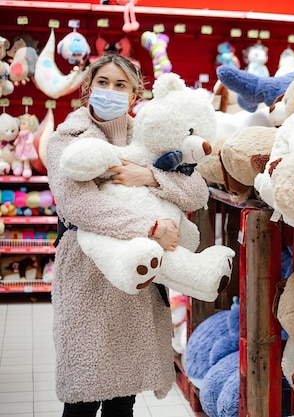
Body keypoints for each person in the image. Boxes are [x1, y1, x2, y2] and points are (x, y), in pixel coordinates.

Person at [46, 53, 210, 417]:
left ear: (135, 95)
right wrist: (149, 227)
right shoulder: (66, 140)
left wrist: (149, 176)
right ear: (88, 88)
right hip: (89, 276)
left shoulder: (153, 137)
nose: (110, 91)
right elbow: (78, 206)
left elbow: (197, 191)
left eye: (120, 85)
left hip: (138, 283)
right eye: (102, 83)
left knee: (124, 398)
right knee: (82, 395)